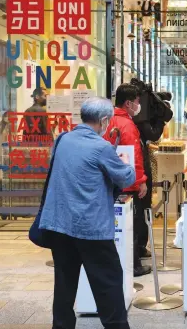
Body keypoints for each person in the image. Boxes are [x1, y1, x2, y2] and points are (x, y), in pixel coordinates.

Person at [39, 97, 136, 329]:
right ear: (104, 120)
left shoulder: (62, 139)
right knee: (109, 284)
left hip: (59, 225)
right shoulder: (101, 146)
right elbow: (126, 177)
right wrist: (125, 163)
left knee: (64, 284)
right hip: (91, 229)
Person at [103, 84, 151, 277]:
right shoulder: (127, 125)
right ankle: (134, 265)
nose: (139, 105)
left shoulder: (107, 120)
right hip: (127, 182)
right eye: (138, 102)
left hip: (110, 181)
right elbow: (135, 156)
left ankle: (118, 262)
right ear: (129, 103)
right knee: (131, 224)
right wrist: (140, 180)